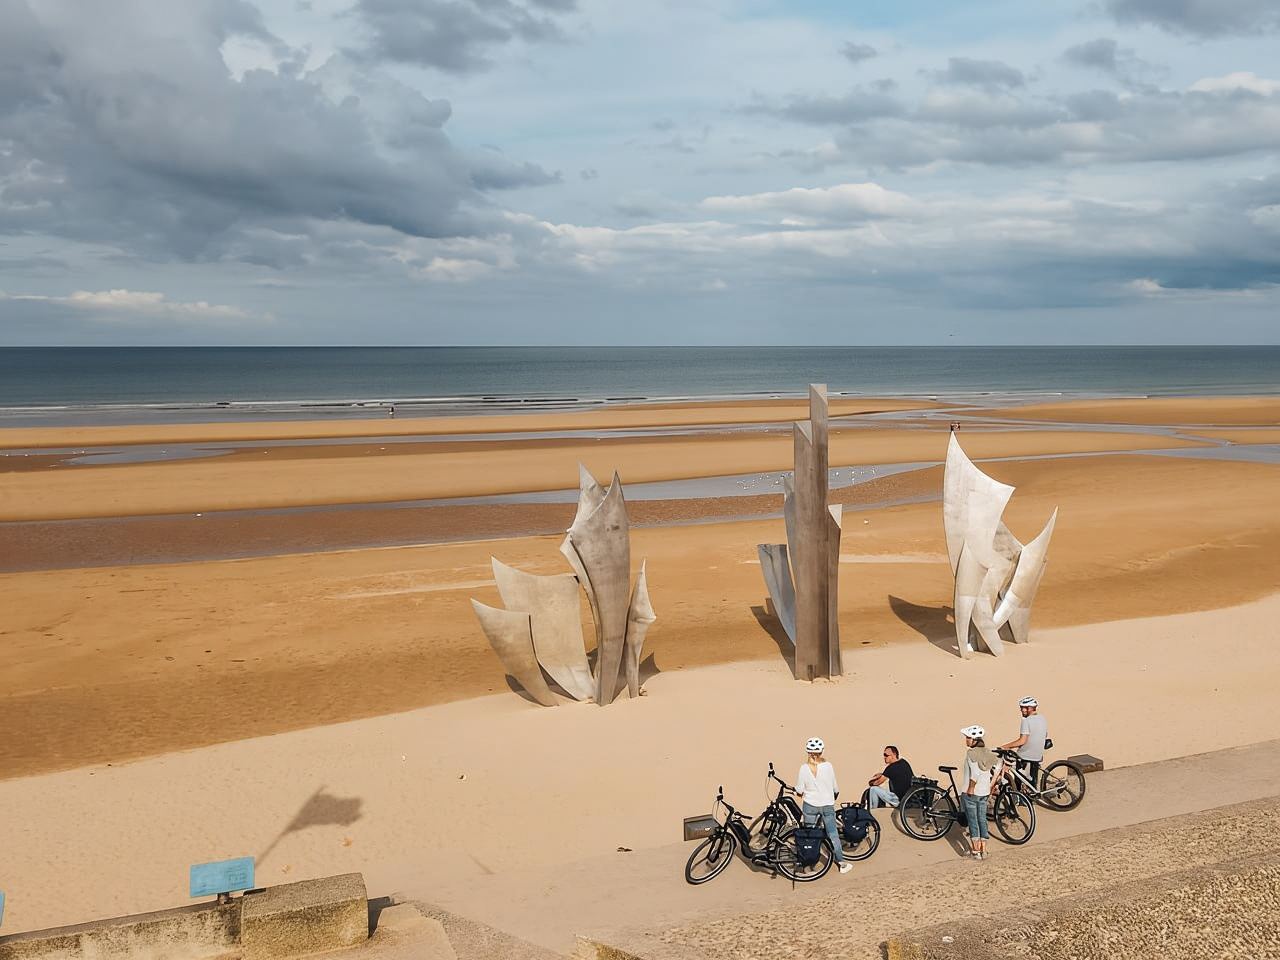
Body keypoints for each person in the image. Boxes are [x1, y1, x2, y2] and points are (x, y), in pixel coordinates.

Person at [795, 737, 851, 874]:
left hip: (810, 805)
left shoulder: (803, 768)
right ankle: (842, 863)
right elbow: (835, 787)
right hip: (827, 804)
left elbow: (800, 790)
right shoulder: (828, 766)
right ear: (822, 751)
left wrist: (798, 792)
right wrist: (832, 796)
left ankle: (808, 866)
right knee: (833, 834)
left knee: (810, 836)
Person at [960, 725, 998, 860]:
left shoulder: (971, 754)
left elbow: (975, 773)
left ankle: (975, 850)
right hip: (984, 792)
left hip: (971, 792)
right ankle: (984, 850)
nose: (966, 740)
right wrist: (992, 784)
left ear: (973, 740)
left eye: (968, 738)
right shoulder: (988, 752)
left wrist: (971, 787)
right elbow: (997, 768)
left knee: (973, 820)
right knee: (982, 819)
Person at [999, 696, 1048, 789]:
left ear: (1030, 708)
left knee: (1017, 776)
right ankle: (1032, 793)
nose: (1021, 710)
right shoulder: (1042, 718)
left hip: (1025, 756)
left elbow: (1022, 741)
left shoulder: (1026, 721)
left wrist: (1005, 746)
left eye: (1023, 708)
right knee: (1032, 780)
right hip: (1038, 755)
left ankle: (1018, 794)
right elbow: (1044, 734)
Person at [867, 745, 914, 809]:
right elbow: (897, 774)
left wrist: (871, 782)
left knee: (873, 789)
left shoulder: (891, 768)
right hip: (908, 798)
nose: (884, 757)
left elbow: (877, 782)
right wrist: (882, 774)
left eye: (886, 755)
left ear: (894, 755)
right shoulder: (904, 762)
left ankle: (872, 811)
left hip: (899, 800)